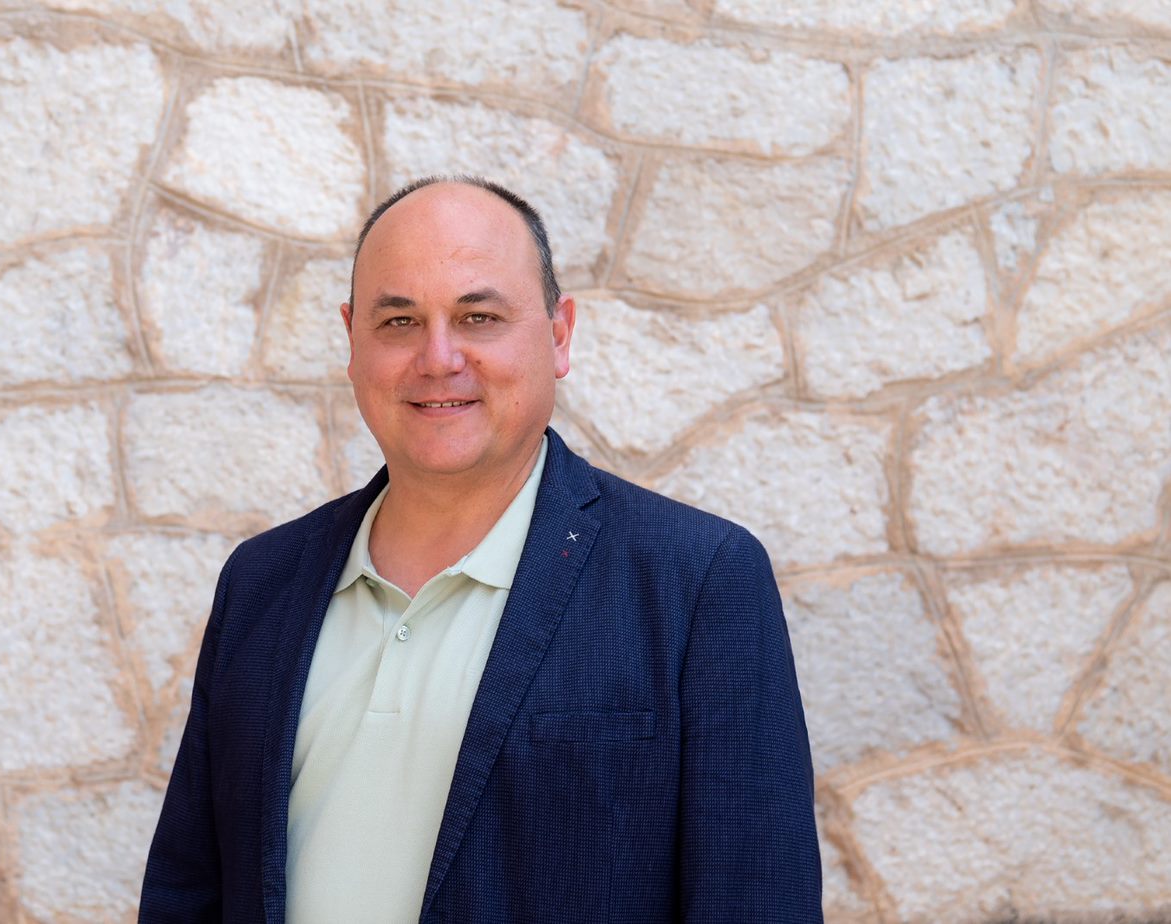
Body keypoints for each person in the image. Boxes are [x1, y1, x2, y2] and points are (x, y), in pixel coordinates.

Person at [140, 176, 821, 922]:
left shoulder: (697, 581)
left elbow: (756, 900)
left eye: (478, 317)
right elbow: (186, 892)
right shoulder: (261, 582)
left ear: (558, 335)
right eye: (399, 321)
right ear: (352, 340)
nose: (438, 357)